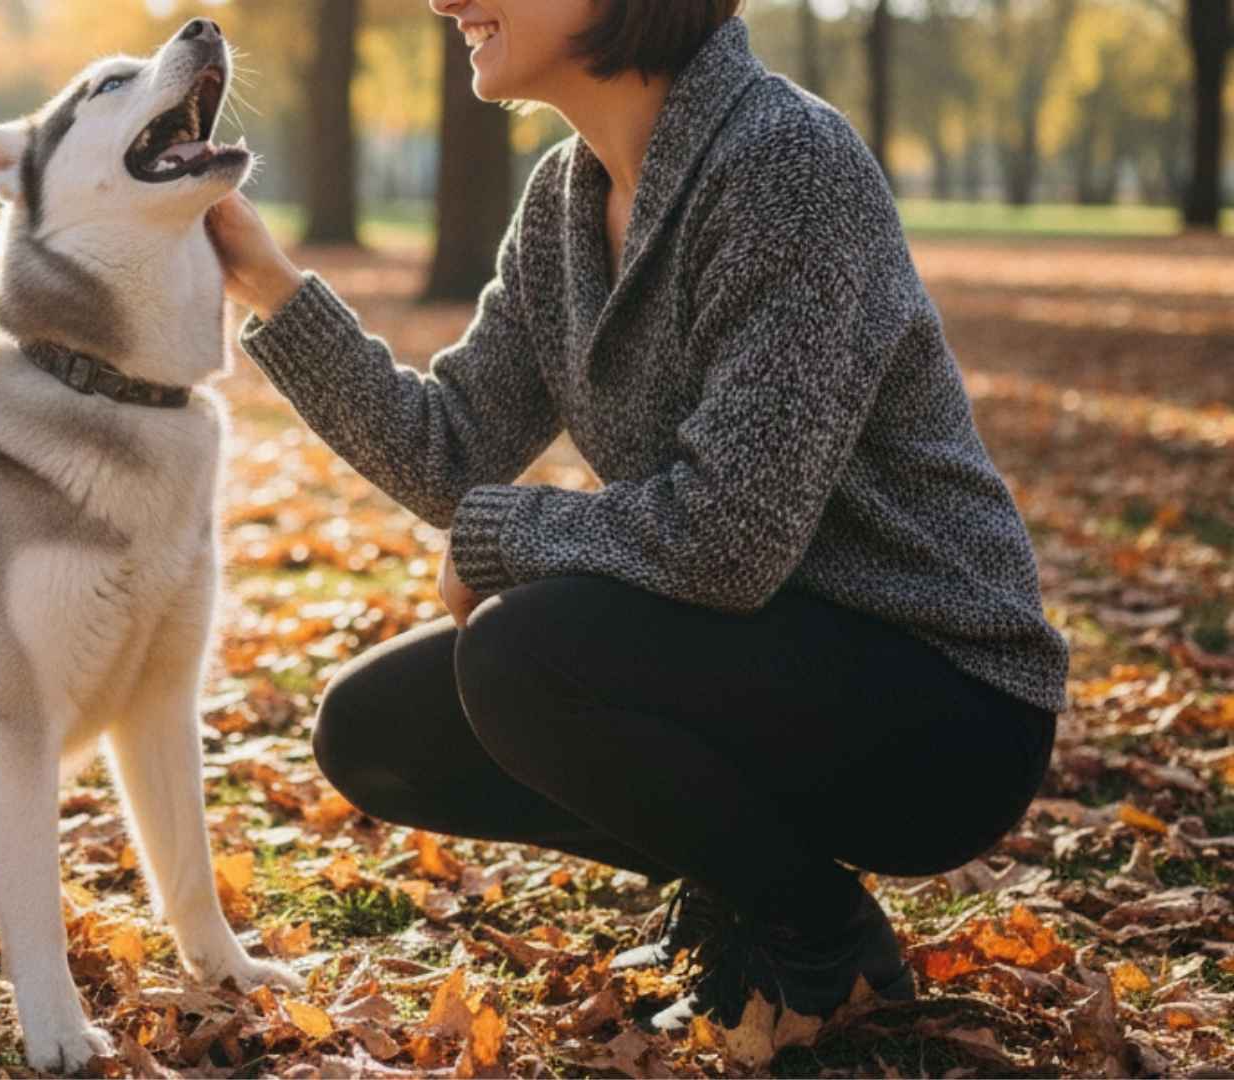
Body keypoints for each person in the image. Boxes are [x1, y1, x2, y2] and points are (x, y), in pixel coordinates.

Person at [205, 0, 1067, 1030]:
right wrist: (266, 279)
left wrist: (509, 536)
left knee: (525, 656)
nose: (443, 0)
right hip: (753, 651)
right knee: (377, 729)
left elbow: (730, 538)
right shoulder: (566, 202)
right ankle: (753, 883)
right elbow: (447, 446)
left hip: (941, 701)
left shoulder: (786, 164)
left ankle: (815, 938)